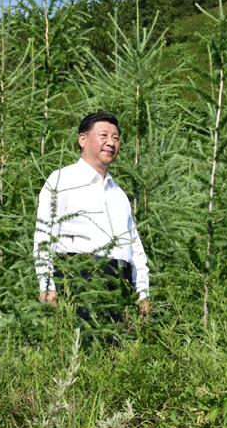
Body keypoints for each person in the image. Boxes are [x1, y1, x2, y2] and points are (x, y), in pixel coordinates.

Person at [33, 112, 151, 323]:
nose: (111, 143)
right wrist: (47, 285)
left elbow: (135, 249)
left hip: (120, 284)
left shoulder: (118, 193)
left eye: (116, 137)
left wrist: (142, 292)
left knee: (118, 351)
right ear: (82, 139)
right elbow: (44, 235)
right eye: (103, 135)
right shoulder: (62, 180)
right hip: (79, 278)